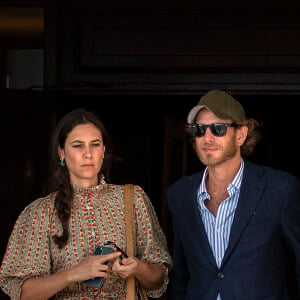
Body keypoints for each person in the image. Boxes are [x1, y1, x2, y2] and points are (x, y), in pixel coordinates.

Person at [0, 108, 172, 300]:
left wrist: (139, 269)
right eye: (78, 145)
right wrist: (74, 273)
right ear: (61, 152)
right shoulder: (40, 212)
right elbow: (22, 293)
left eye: (95, 144)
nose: (88, 154)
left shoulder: (133, 199)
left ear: (104, 150)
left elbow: (159, 279)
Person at [166, 90, 300, 300]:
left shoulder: (280, 189)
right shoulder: (179, 194)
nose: (207, 137)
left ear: (240, 135)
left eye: (218, 129)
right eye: (199, 129)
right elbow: (181, 275)